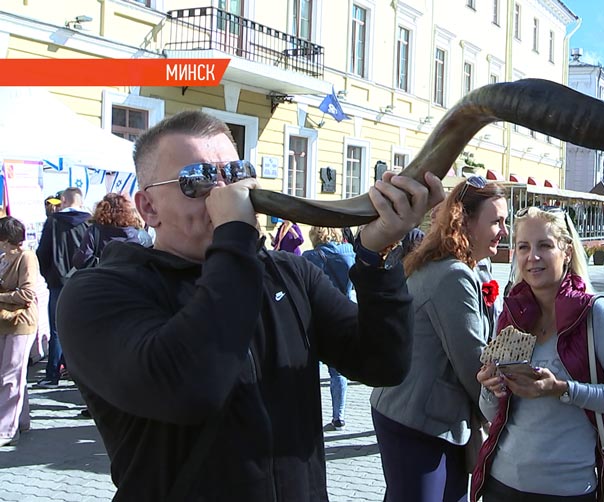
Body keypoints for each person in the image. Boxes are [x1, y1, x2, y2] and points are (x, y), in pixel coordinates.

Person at [55, 110, 444, 501]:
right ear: (149, 208)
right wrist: (235, 237)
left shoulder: (287, 274)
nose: (228, 193)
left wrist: (375, 256)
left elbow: (382, 362)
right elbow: (192, 387)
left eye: (237, 173)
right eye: (199, 180)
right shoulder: (99, 294)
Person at [470, 207, 604, 501]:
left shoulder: (593, 313)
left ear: (565, 251)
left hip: (568, 488)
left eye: (545, 246)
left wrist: (561, 389)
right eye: (524, 246)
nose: (532, 256)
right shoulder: (513, 314)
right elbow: (492, 412)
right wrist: (490, 388)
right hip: (503, 482)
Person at [370, 177, 508, 502]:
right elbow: (472, 362)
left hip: (419, 414)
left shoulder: (457, 266)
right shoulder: (454, 275)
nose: (504, 230)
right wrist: (503, 416)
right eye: (496, 222)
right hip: (417, 419)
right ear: (467, 222)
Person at [35, 186, 91, 388]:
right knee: (83, 328)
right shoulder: (90, 222)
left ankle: (52, 375)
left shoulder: (53, 222)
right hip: (85, 281)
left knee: (57, 329)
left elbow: (42, 253)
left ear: (64, 201)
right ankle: (82, 375)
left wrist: (49, 275)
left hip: (58, 282)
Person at [301, 226, 355, 430]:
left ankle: (309, 415)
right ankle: (338, 416)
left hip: (314, 318)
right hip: (342, 314)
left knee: (309, 370)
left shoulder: (311, 256)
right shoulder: (349, 252)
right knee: (338, 371)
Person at [0, 217, 40, 447]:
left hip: (21, 322)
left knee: (10, 375)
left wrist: (3, 296)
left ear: (6, 240)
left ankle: (7, 429)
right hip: (5, 321)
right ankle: (21, 420)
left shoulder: (26, 257)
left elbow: (27, 294)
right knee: (11, 373)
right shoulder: (4, 259)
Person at [72, 193, 153, 270]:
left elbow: (81, 261)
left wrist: (102, 264)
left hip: (100, 280)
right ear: (126, 211)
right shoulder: (138, 234)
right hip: (130, 281)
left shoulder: (94, 231)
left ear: (101, 209)